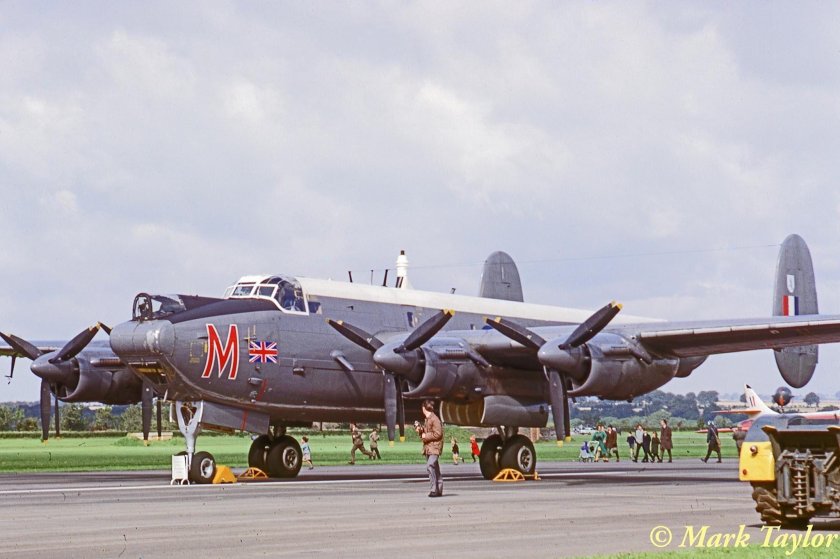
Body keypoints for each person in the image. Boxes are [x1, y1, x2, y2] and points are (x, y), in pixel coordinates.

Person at [416, 399, 444, 497]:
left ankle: (434, 490)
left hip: (434, 447)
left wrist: (425, 436)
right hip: (429, 447)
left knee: (430, 466)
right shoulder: (428, 419)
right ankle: (439, 489)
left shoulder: (434, 419)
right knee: (435, 468)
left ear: (424, 408)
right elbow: (429, 431)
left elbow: (438, 434)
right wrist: (421, 430)